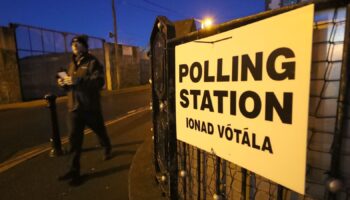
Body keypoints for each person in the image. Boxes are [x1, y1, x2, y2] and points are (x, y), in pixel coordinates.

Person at [57, 35, 112, 185]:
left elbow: (99, 81)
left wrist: (76, 81)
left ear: (84, 46)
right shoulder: (71, 65)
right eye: (72, 44)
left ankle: (107, 146)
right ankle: (74, 172)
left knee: (100, 130)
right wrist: (63, 83)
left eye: (78, 43)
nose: (74, 45)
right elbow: (70, 87)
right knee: (74, 140)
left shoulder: (93, 62)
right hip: (74, 108)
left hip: (90, 108)